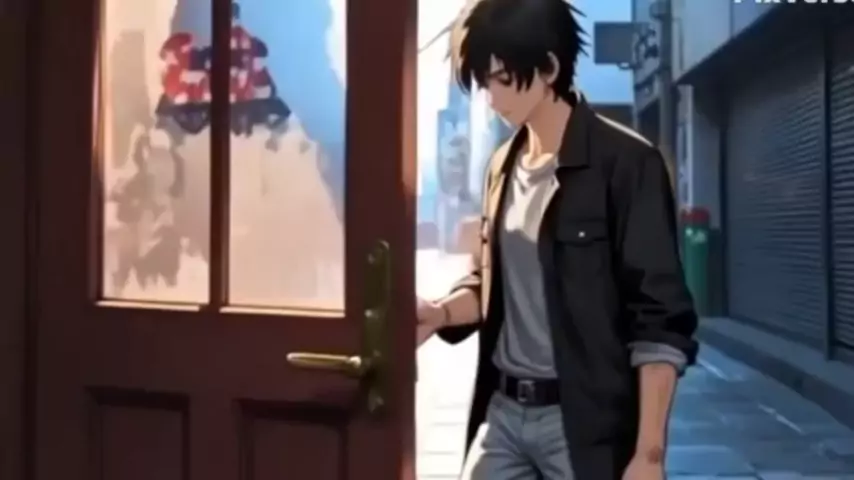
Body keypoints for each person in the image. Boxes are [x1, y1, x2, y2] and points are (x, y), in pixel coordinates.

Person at [415, 0, 699, 479]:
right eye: (485, 82)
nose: (492, 97)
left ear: (548, 68)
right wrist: (441, 313)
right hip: (503, 412)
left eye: (502, 79)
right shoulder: (502, 165)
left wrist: (649, 453)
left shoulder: (627, 164)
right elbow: (492, 283)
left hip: (583, 421)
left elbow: (659, 321)